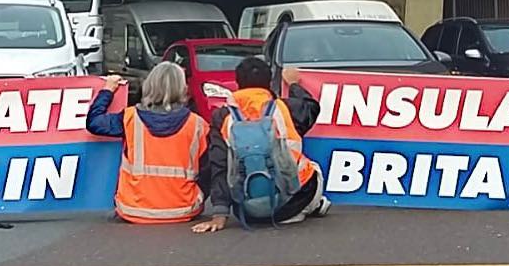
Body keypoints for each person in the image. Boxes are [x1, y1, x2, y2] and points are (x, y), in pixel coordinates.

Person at [193, 57, 329, 233]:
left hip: (248, 211)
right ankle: (314, 204)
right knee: (312, 167)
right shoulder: (286, 108)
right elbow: (311, 107)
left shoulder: (222, 117)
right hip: (293, 203)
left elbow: (219, 166)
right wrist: (294, 84)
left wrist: (219, 215)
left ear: (237, 83)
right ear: (269, 81)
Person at [86, 62, 209, 224]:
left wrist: (107, 90)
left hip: (133, 208)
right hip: (183, 208)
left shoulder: (129, 118)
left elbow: (94, 122)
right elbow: (208, 171)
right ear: (183, 88)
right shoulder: (198, 124)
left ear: (149, 85)